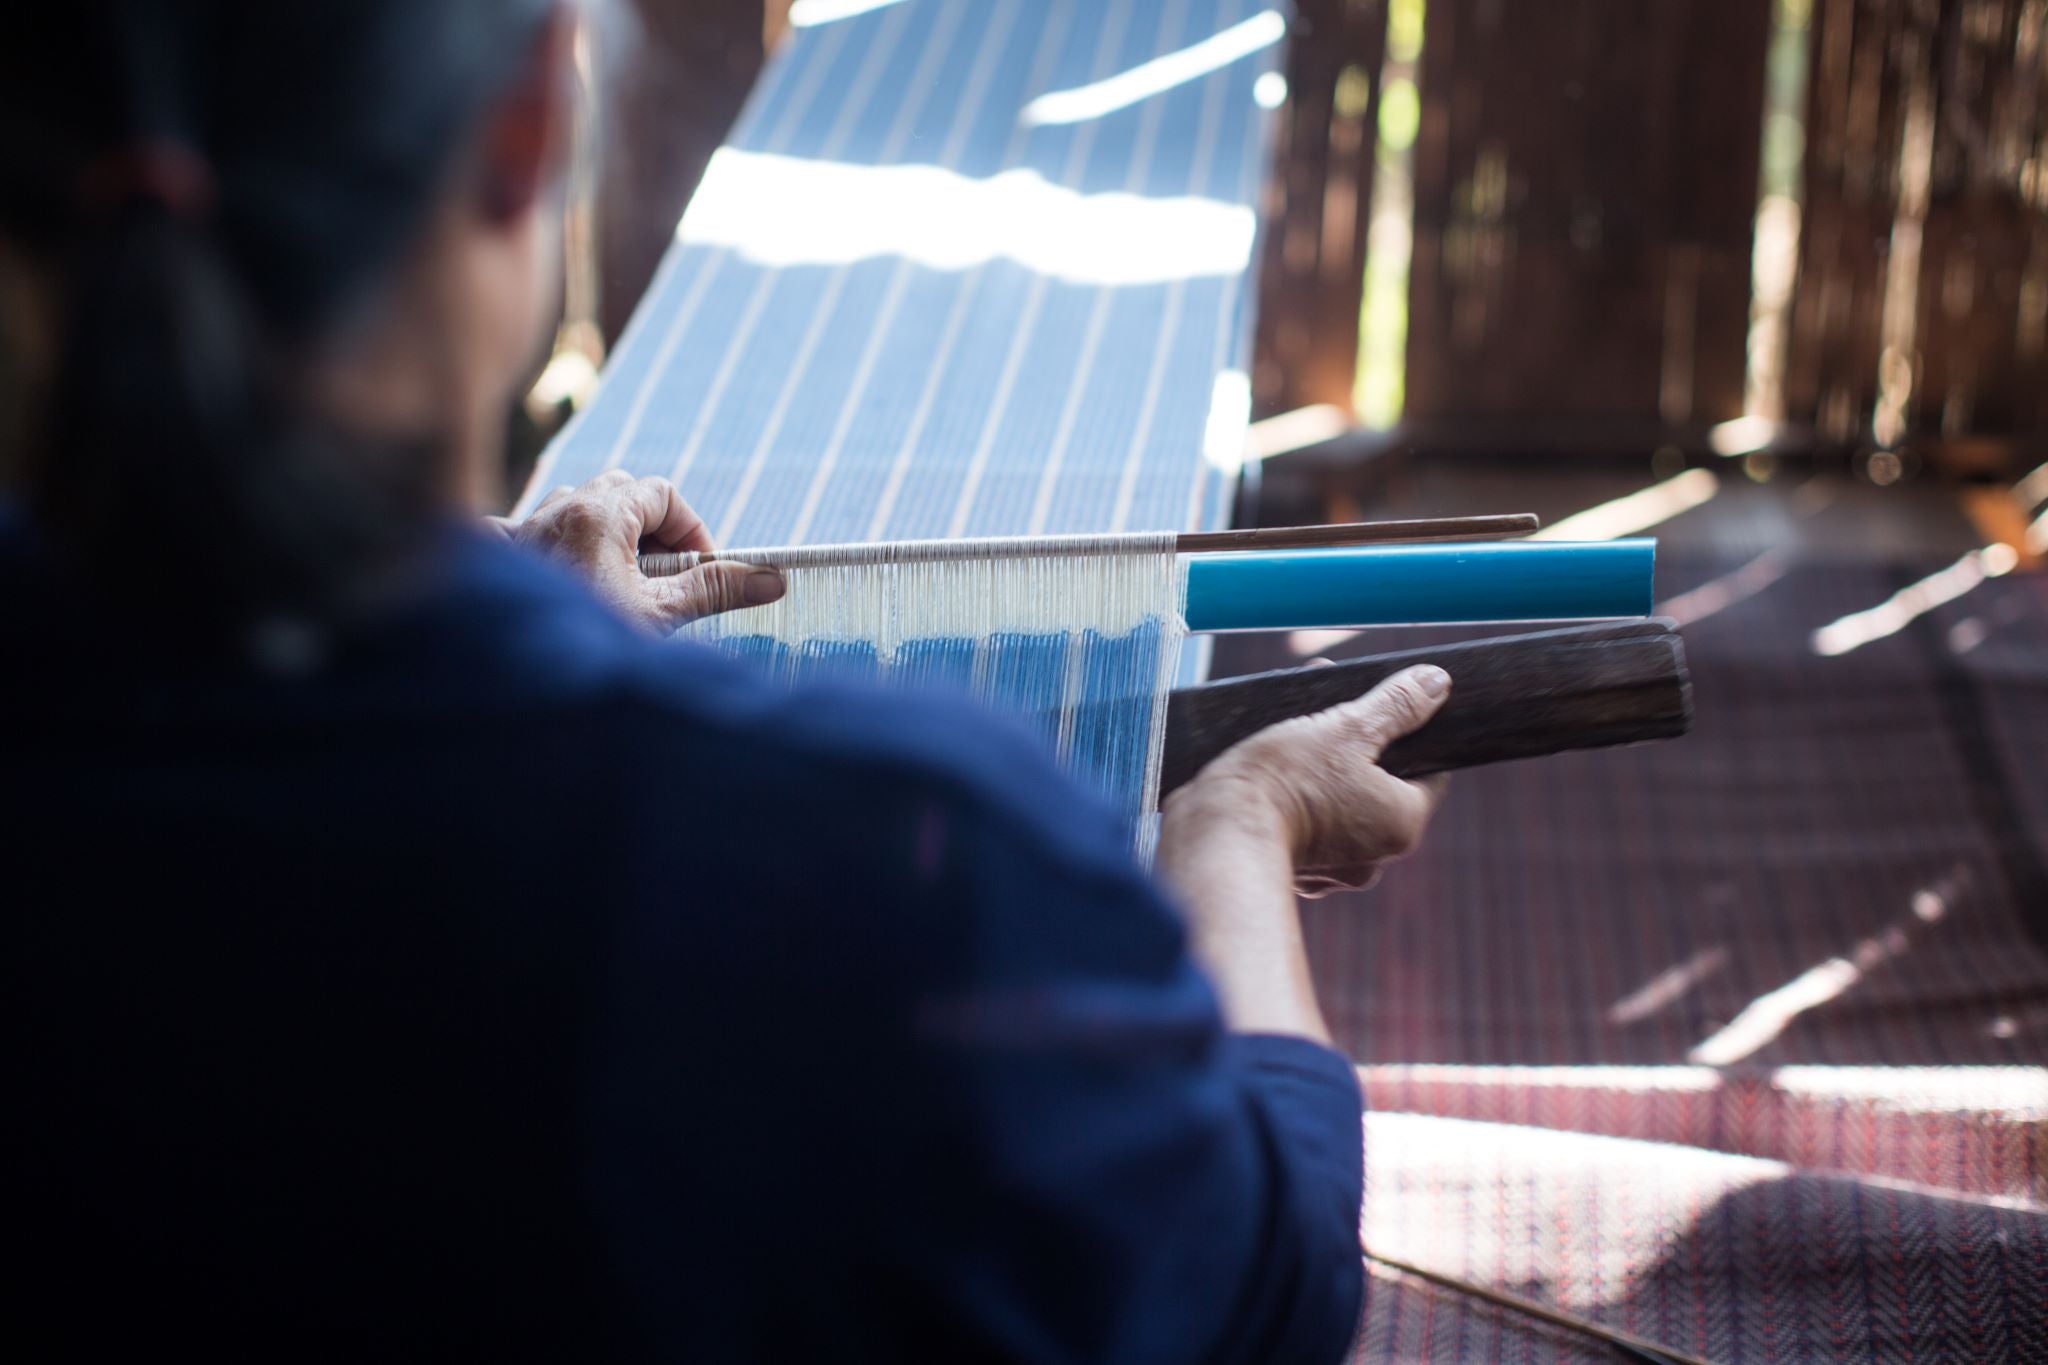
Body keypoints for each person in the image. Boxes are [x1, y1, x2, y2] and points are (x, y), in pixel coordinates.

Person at [3, 3, 1450, 1361]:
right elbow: (1260, 1290)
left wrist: (536, 657)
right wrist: (1238, 833)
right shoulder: (905, 860)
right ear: (524, 124)